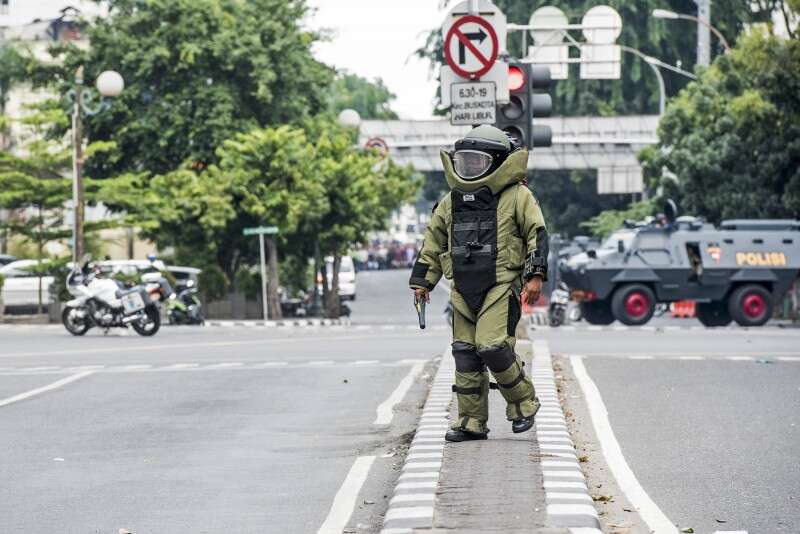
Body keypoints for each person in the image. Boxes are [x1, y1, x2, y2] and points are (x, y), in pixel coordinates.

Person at [409, 125, 549, 442]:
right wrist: (422, 283)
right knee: (466, 352)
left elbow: (536, 235)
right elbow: (432, 243)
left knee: (493, 345)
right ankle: (470, 421)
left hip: (500, 285)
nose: (470, 167)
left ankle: (524, 403)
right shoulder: (449, 203)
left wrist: (535, 274)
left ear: (498, 162)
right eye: (466, 161)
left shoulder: (518, 196)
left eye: (478, 161)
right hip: (461, 289)